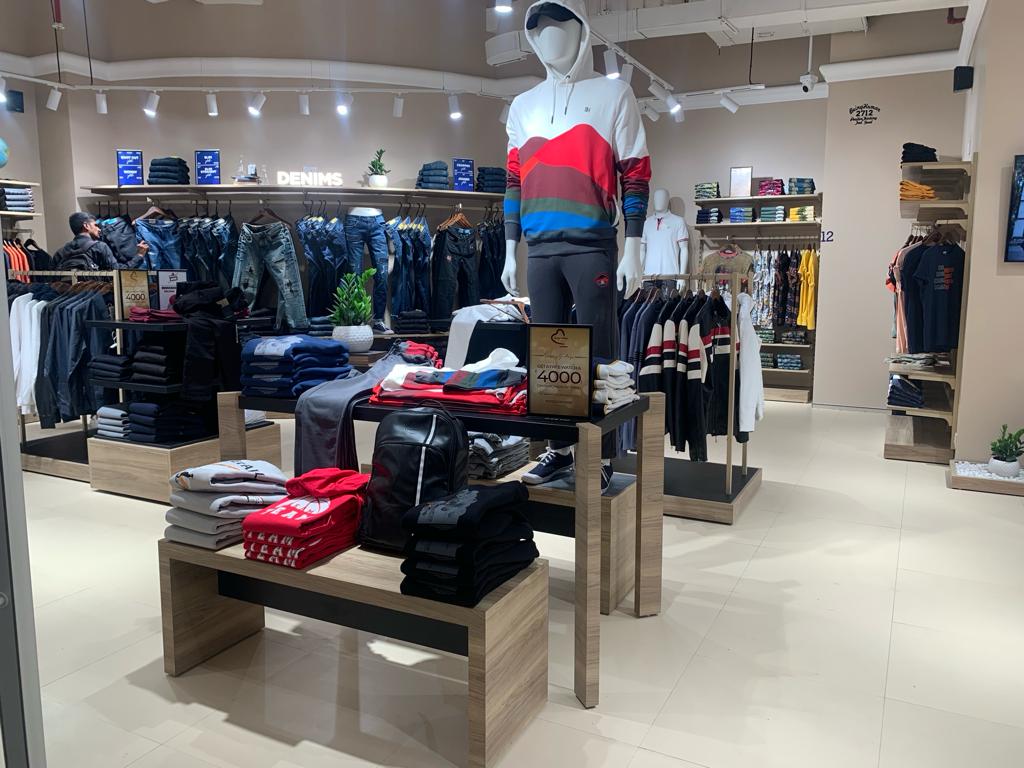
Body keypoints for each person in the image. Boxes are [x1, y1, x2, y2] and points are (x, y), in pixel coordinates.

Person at [53, 212, 149, 270]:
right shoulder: (99, 247)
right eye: (95, 225)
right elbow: (119, 272)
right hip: (95, 294)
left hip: (68, 295)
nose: (99, 229)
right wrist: (139, 256)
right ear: (86, 226)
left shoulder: (60, 253)